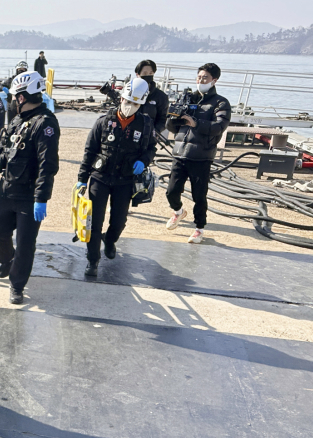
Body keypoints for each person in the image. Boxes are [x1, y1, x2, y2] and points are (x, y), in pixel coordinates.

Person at [0, 71, 59, 304]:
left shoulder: (45, 124)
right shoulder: (18, 121)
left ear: (21, 97)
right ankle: (7, 262)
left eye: (13, 97)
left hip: (30, 196)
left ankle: (16, 285)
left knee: (25, 244)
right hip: (8, 190)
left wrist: (41, 198)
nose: (11, 102)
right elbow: (0, 151)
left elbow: (47, 165)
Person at [77, 78, 156, 277]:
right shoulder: (103, 121)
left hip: (125, 180)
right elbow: (90, 150)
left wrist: (144, 161)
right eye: (128, 101)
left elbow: (151, 149)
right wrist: (82, 178)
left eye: (135, 104)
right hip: (100, 177)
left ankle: (110, 240)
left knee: (119, 220)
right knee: (94, 222)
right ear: (121, 99)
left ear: (141, 104)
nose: (130, 106)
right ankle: (92, 261)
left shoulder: (145, 125)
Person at [164, 63, 232, 244]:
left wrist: (196, 123)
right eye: (199, 77)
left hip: (201, 157)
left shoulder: (221, 102)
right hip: (180, 153)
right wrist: (173, 117)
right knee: (171, 192)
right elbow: (171, 127)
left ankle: (199, 229)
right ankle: (178, 212)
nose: (200, 80)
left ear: (214, 80)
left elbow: (219, 127)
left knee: (199, 196)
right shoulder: (187, 99)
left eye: (205, 78)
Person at [133, 59, 169, 135]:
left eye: (150, 73)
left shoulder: (161, 96)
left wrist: (154, 131)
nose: (148, 76)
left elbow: (163, 119)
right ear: (137, 74)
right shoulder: (129, 92)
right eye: (145, 73)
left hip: (148, 136)